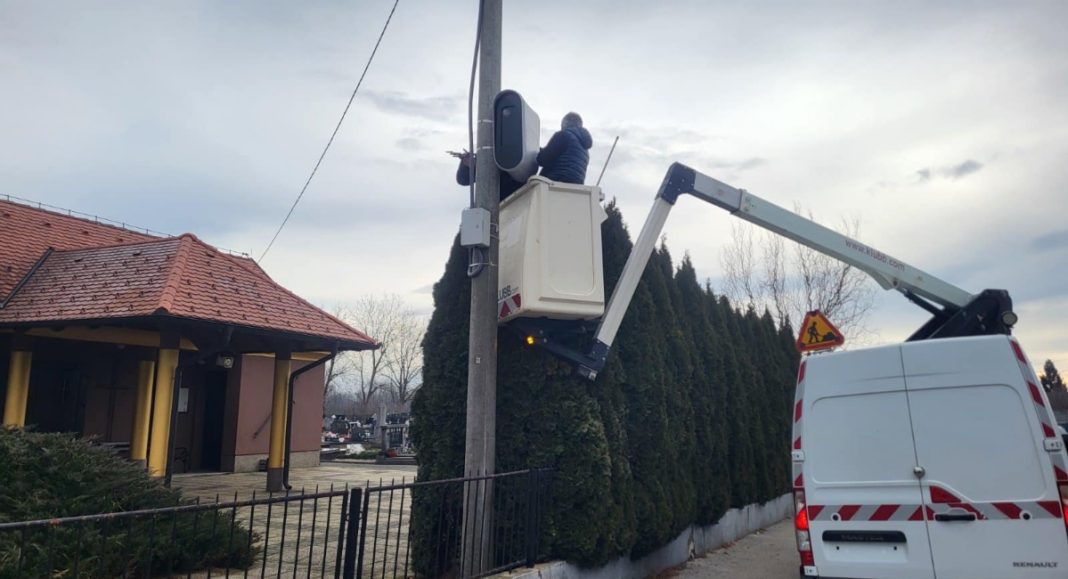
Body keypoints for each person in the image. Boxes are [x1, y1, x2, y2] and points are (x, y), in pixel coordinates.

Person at [537, 112, 593, 185]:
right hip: (575, 187)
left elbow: (542, 159)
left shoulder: (563, 135)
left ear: (565, 123)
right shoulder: (585, 150)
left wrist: (536, 150)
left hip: (554, 182)